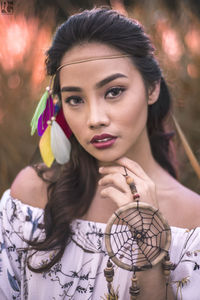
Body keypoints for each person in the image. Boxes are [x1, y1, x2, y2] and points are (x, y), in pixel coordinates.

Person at [0, 7, 200, 300]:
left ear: (152, 88)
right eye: (75, 99)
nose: (94, 118)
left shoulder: (193, 222)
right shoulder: (33, 197)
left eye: (114, 91)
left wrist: (150, 247)